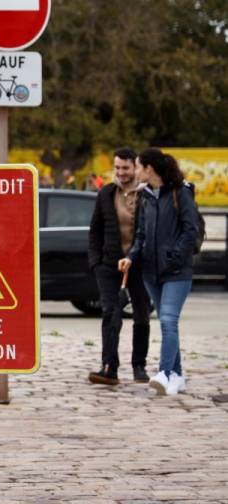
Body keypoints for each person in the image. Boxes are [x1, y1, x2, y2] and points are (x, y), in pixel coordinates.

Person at [119, 148, 197, 396]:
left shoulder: (180, 193)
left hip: (176, 271)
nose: (136, 171)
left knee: (168, 320)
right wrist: (131, 257)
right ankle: (177, 375)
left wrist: (174, 258)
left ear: (149, 169)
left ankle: (164, 373)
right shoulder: (146, 197)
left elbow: (190, 230)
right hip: (151, 273)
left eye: (139, 167)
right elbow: (141, 234)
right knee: (167, 323)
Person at [87, 148, 151, 385]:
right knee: (110, 312)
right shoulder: (106, 193)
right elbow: (95, 230)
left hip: (139, 265)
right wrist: (95, 262)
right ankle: (109, 367)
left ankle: (139, 365)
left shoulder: (146, 195)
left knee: (142, 313)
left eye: (126, 168)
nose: (121, 173)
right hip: (108, 264)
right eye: (117, 168)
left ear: (135, 168)